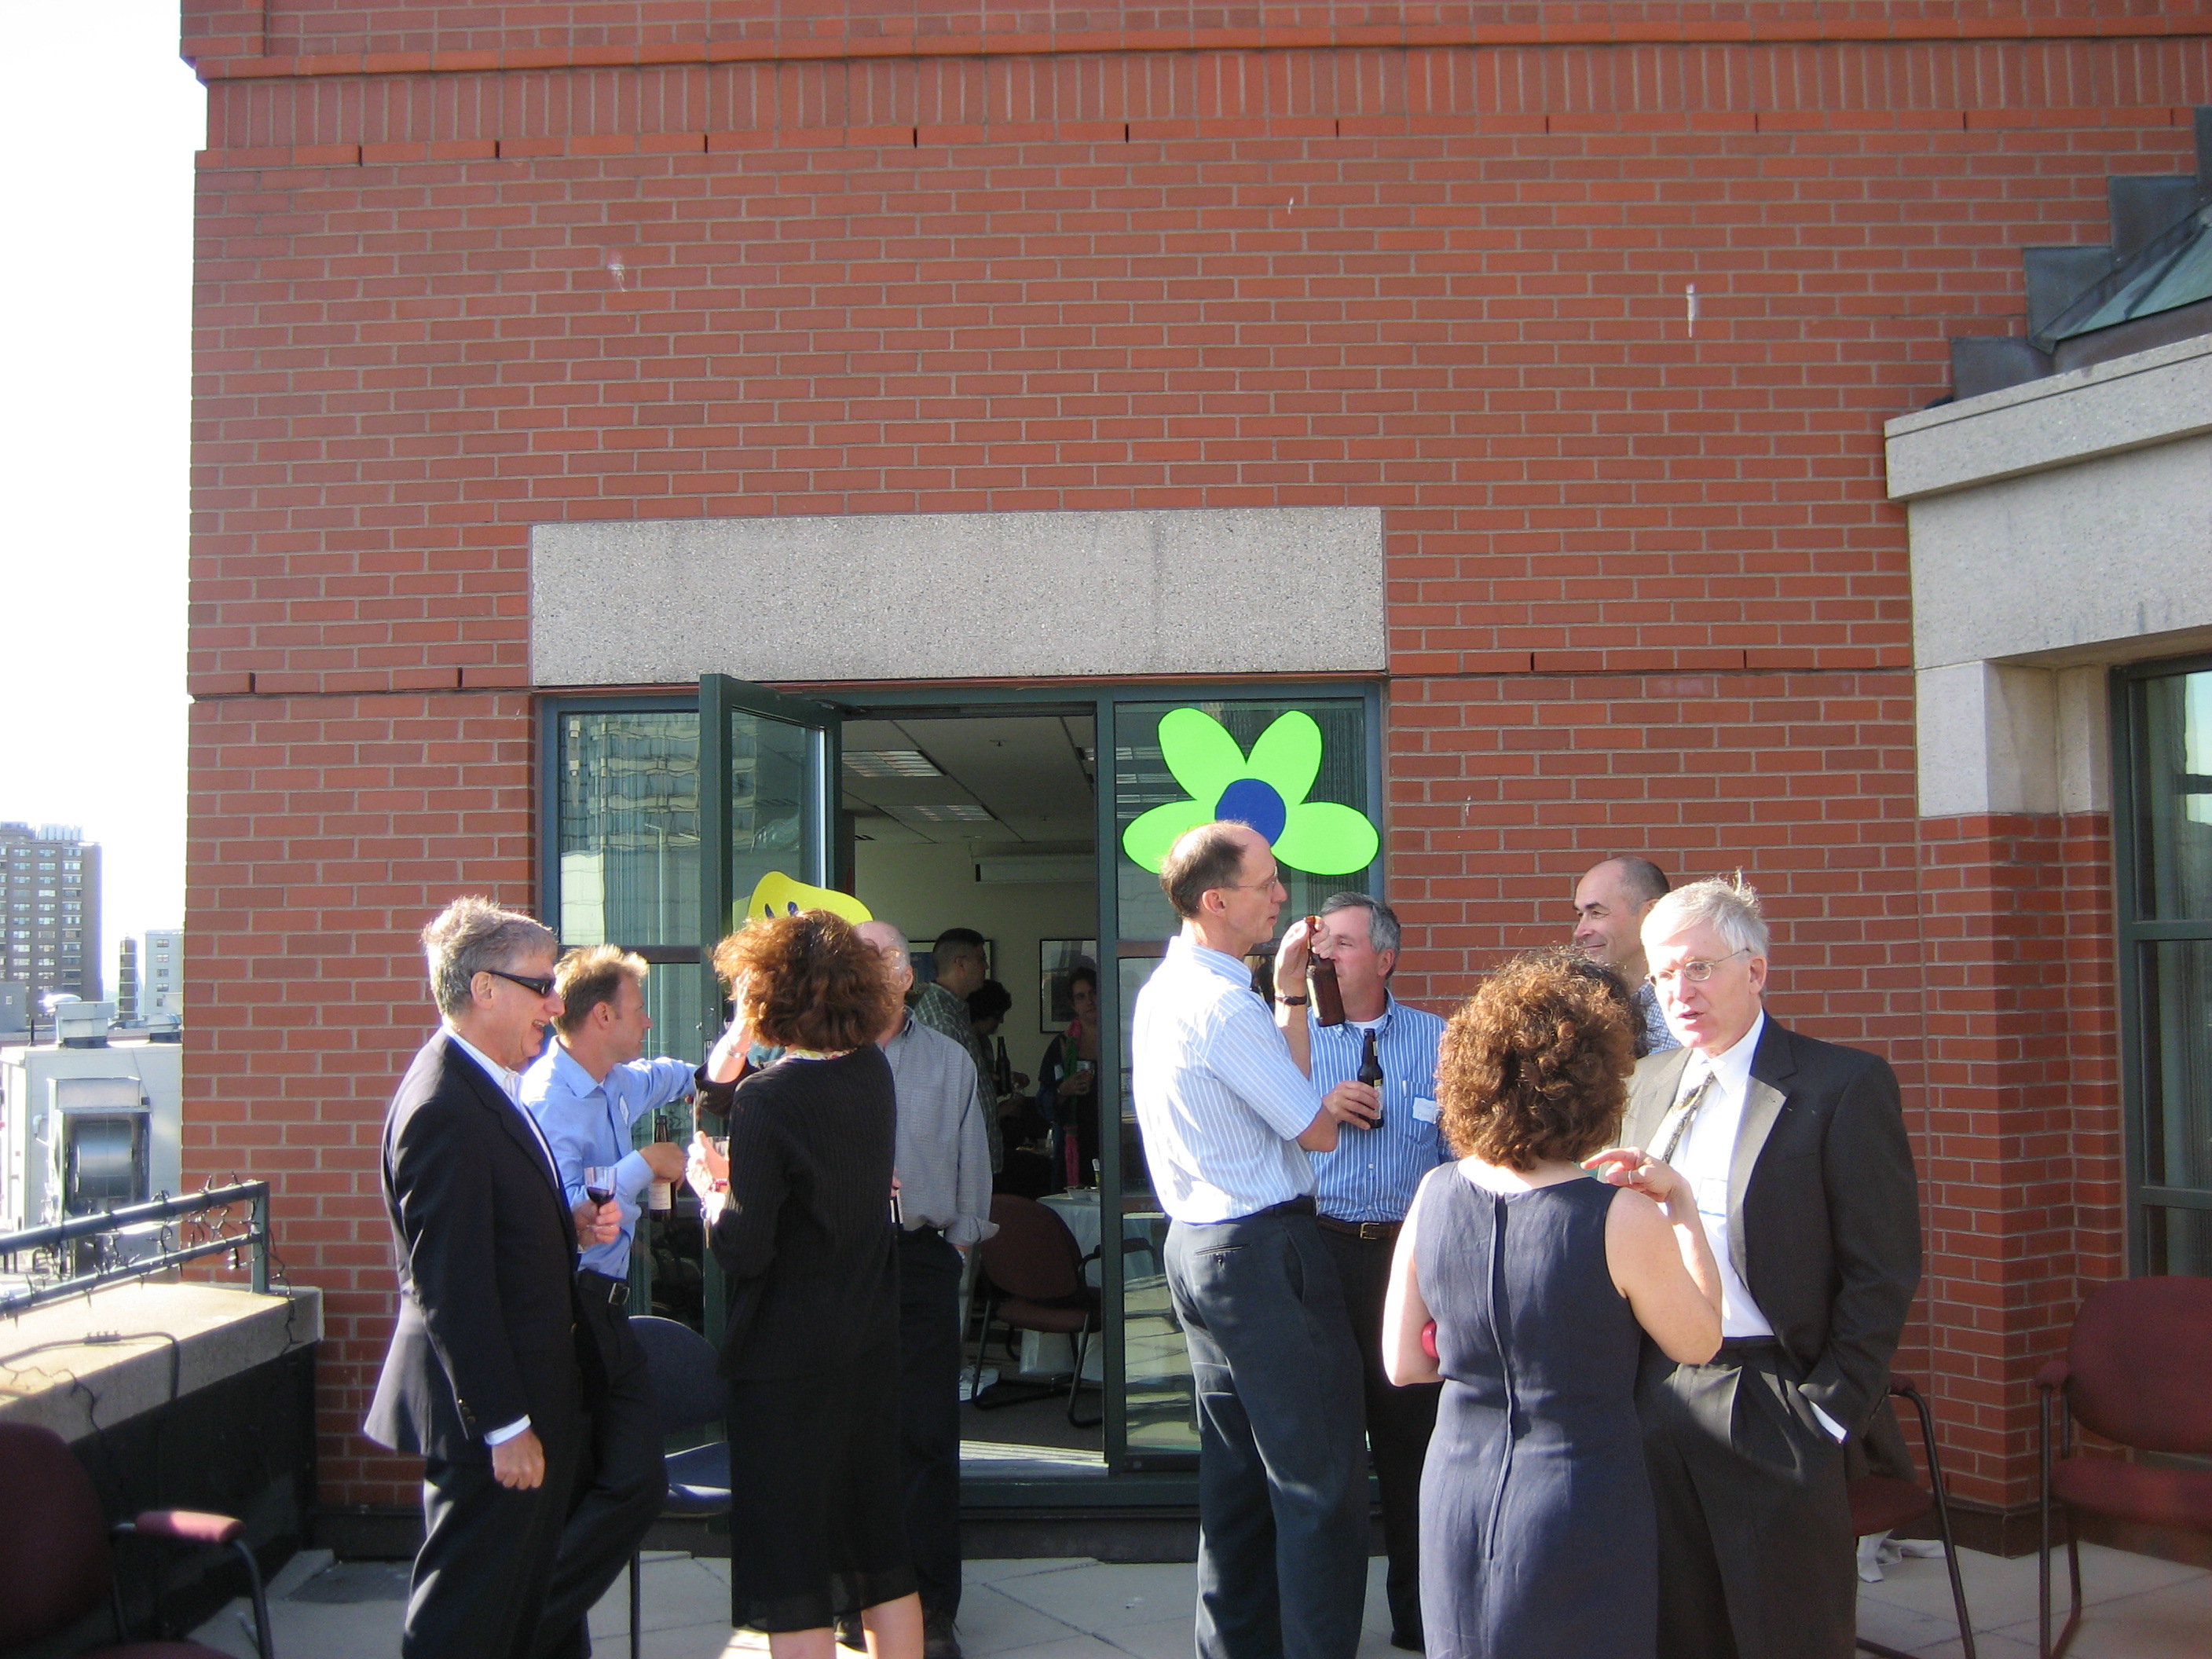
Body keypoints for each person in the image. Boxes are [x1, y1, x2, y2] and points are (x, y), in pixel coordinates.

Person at [1381, 950, 1723, 1659]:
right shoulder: (1619, 1217)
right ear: (1596, 1085)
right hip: (1579, 1497)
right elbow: (1699, 1342)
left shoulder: (1434, 1193)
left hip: (1455, 1494)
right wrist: (1683, 1207)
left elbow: (1404, 1362)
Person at [1617, 875, 1921, 1659]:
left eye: (1698, 968)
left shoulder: (1839, 1085)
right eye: (1659, 975)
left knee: (1788, 1635)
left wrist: (1825, 1411)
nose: (1676, 992)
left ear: (1753, 970)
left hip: (1775, 1399)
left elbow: (1881, 1269)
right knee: (1678, 1629)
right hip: (1658, 1396)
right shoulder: (1644, 1086)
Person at [1130, 821, 1375, 1659]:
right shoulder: (1217, 1005)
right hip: (1263, 1251)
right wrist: (1323, 1091)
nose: (1282, 896)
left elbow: (1274, 1092)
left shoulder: (1172, 989)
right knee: (1319, 1484)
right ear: (1216, 899)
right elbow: (1311, 1130)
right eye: (1267, 882)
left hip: (1202, 1249)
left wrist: (1290, 997)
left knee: (1236, 1482)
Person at [364, 898, 621, 1659]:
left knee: (525, 1614)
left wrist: (562, 1227)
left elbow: (485, 1237)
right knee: (466, 1622)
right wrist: (505, 1426)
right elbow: (451, 1286)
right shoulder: (444, 1103)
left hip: (528, 1411)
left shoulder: (484, 1083)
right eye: (541, 985)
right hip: (492, 1426)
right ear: (483, 989)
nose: (555, 1004)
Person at [687, 910, 922, 1659]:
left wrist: (711, 1197)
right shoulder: (870, 1072)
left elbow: (744, 1250)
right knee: (877, 1544)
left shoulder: (770, 1100)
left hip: (787, 1364)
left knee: (793, 1568)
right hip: (864, 1345)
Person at [520, 944, 694, 1650]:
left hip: (607, 1305)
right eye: (639, 1009)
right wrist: (640, 1166)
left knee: (612, 1484)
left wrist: (734, 1062)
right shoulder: (546, 1098)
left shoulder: (617, 1080)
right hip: (574, 1309)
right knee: (628, 1481)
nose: (649, 1022)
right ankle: (525, 1615)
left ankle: (539, 1622)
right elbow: (564, 1218)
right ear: (601, 1015)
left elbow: (675, 1075)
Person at [1301, 893, 1451, 1653]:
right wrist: (1317, 1106)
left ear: (1385, 958)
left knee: (1412, 1445)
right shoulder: (1290, 1039)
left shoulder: (1438, 1040)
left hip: (1404, 1261)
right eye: (1320, 945)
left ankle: (1421, 1619)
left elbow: (1465, 1162)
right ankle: (1325, 1629)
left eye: (1344, 945)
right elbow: (1266, 1147)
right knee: (1324, 1449)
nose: (1325, 957)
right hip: (1320, 1252)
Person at [857, 920, 998, 1659]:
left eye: (879, 955)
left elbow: (973, 1166)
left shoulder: (948, 1060)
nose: (865, 968)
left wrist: (960, 1245)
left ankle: (929, 1608)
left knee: (923, 1438)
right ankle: (854, 1596)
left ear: (907, 974)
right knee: (847, 1435)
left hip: (919, 1261)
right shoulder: (812, 1055)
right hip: (837, 1266)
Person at [910, 926, 1003, 1172]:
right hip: (959, 1167)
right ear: (960, 964)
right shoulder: (942, 1020)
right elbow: (946, 1102)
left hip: (969, 1163)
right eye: (981, 959)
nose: (986, 967)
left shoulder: (955, 1012)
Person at [1573, 856, 1678, 1057]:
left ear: (1650, 913)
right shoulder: (1582, 1008)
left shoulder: (1688, 1007)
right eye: (1580, 915)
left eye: (1596, 913)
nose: (1580, 931)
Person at [1035, 962, 1102, 1190]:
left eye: (1093, 993)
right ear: (1074, 1005)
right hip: (1075, 1146)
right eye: (1081, 997)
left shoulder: (1124, 1038)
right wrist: (1064, 1089)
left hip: (1119, 1141)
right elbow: (1043, 1104)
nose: (1090, 1001)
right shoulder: (1062, 1046)